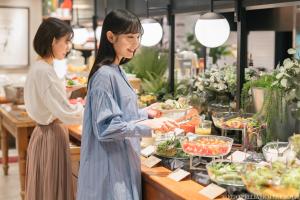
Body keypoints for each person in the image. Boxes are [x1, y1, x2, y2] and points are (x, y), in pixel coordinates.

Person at [77, 9, 177, 200]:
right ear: (110, 36)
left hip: (120, 162)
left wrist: (145, 113)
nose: (136, 43)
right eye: (130, 36)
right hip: (108, 168)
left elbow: (120, 114)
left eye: (138, 36)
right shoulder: (104, 75)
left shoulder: (116, 70)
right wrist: (146, 124)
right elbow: (106, 128)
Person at [24, 17, 83, 200]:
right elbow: (67, 114)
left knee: (45, 189)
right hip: (51, 135)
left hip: (43, 133)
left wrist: (64, 92)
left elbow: (49, 103)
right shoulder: (46, 72)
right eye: (66, 41)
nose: (68, 47)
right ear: (53, 41)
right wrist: (86, 107)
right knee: (52, 190)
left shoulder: (39, 66)